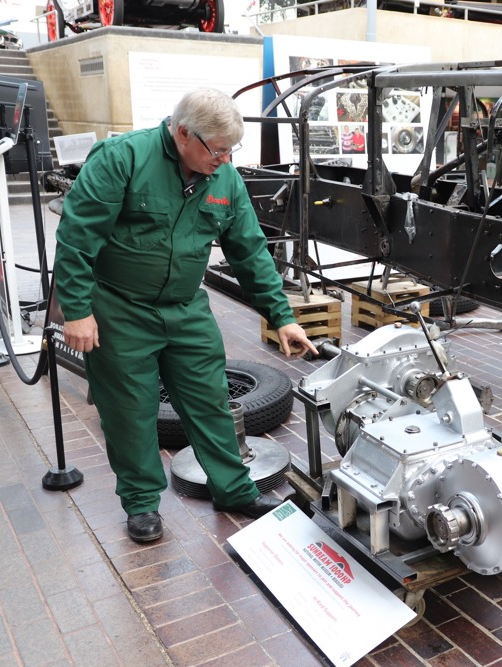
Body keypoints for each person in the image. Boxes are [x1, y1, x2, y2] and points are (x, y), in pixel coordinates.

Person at [54, 88, 317, 543]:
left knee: (211, 400)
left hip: (184, 306)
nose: (224, 158)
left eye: (231, 149)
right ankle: (141, 505)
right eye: (217, 149)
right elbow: (76, 238)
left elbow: (250, 251)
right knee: (129, 410)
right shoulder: (123, 159)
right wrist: (77, 311)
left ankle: (234, 491)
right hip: (119, 308)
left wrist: (282, 315)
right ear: (181, 133)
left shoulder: (224, 180)